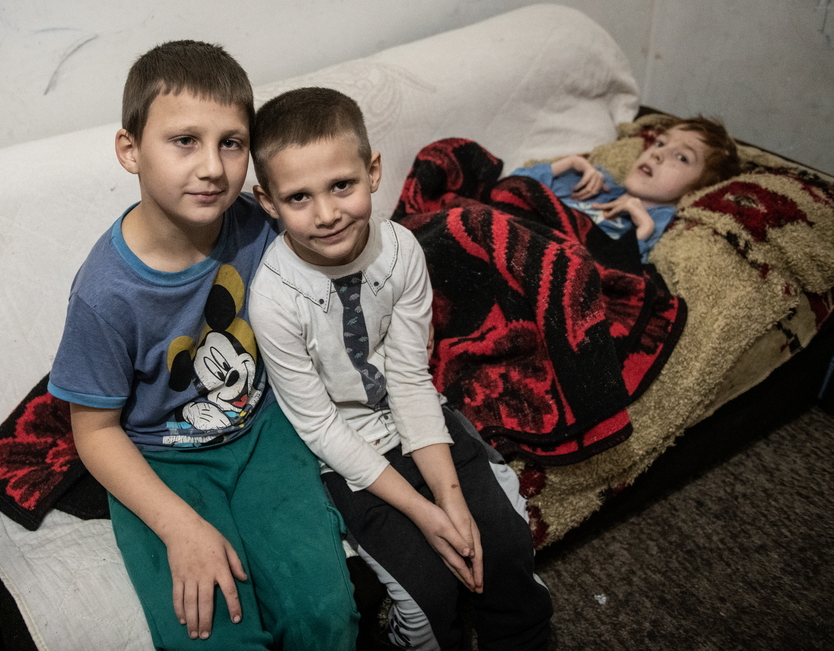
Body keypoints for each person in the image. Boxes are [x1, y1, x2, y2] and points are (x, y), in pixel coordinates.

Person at [48, 44, 358, 650]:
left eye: (231, 143)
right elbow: (94, 431)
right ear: (129, 150)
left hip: (264, 432)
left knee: (325, 617)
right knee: (215, 638)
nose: (213, 167)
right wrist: (178, 526)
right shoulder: (104, 294)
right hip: (162, 462)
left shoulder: (258, 222)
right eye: (185, 141)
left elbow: (341, 253)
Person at [247, 87, 553, 651]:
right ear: (268, 202)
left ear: (373, 171)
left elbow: (411, 377)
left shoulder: (401, 249)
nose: (327, 214)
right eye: (299, 197)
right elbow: (319, 426)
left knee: (504, 544)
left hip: (417, 419)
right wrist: (424, 513)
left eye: (342, 185)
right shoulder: (273, 298)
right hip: (345, 454)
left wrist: (449, 499)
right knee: (428, 597)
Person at [509, 116, 740, 261]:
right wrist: (567, 164)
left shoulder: (659, 222)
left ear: (695, 193)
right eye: (660, 143)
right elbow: (509, 190)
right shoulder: (598, 183)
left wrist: (643, 229)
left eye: (681, 157)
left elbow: (616, 275)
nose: (658, 153)